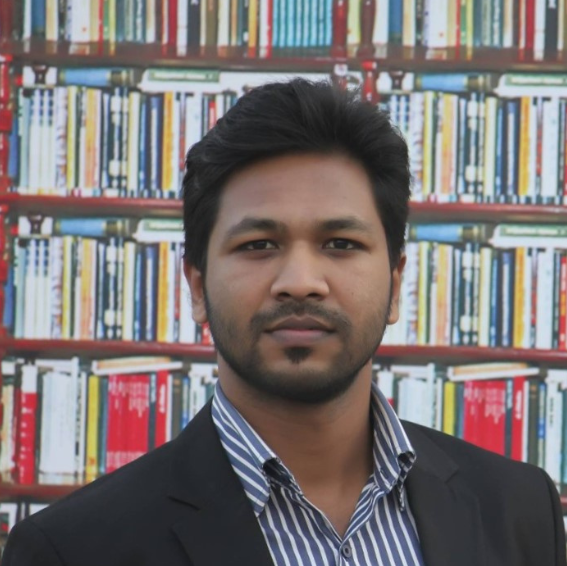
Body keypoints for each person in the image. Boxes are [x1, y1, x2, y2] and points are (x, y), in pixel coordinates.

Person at [3, 79, 565, 566]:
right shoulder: (71, 550)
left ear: (396, 283)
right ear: (197, 286)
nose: (300, 281)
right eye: (259, 244)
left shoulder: (521, 511)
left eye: (340, 243)